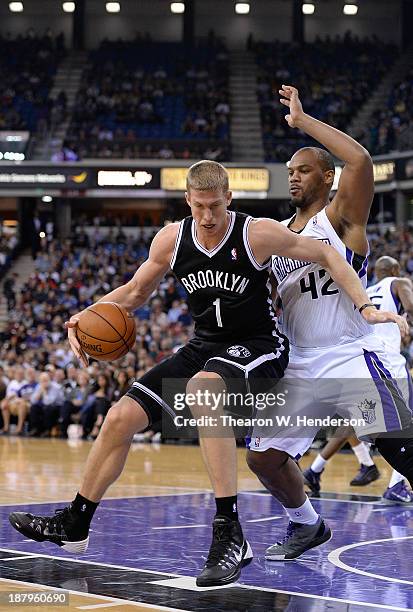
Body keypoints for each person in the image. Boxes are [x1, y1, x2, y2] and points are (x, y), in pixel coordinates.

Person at [9, 160, 403, 587]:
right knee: (121, 416)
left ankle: (229, 530)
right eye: (200, 207)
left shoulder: (256, 232)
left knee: (204, 389)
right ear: (187, 202)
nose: (208, 216)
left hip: (261, 347)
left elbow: (327, 252)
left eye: (215, 206)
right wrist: (85, 315)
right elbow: (136, 292)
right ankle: (76, 522)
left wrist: (363, 304)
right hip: (205, 346)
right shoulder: (171, 239)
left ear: (229, 199)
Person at [247, 85, 413, 561]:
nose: (294, 178)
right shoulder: (279, 236)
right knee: (264, 458)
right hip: (300, 363)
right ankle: (307, 525)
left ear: (326, 177)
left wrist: (303, 122)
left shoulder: (340, 220)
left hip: (348, 353)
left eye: (303, 170)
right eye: (290, 172)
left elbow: (359, 160)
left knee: (399, 447)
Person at [304, 255, 413, 503]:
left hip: (358, 358)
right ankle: (396, 484)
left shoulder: (363, 287)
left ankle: (319, 469)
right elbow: (411, 305)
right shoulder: (399, 281)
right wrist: (406, 325)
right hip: (387, 362)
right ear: (394, 269)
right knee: (404, 426)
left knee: (360, 418)